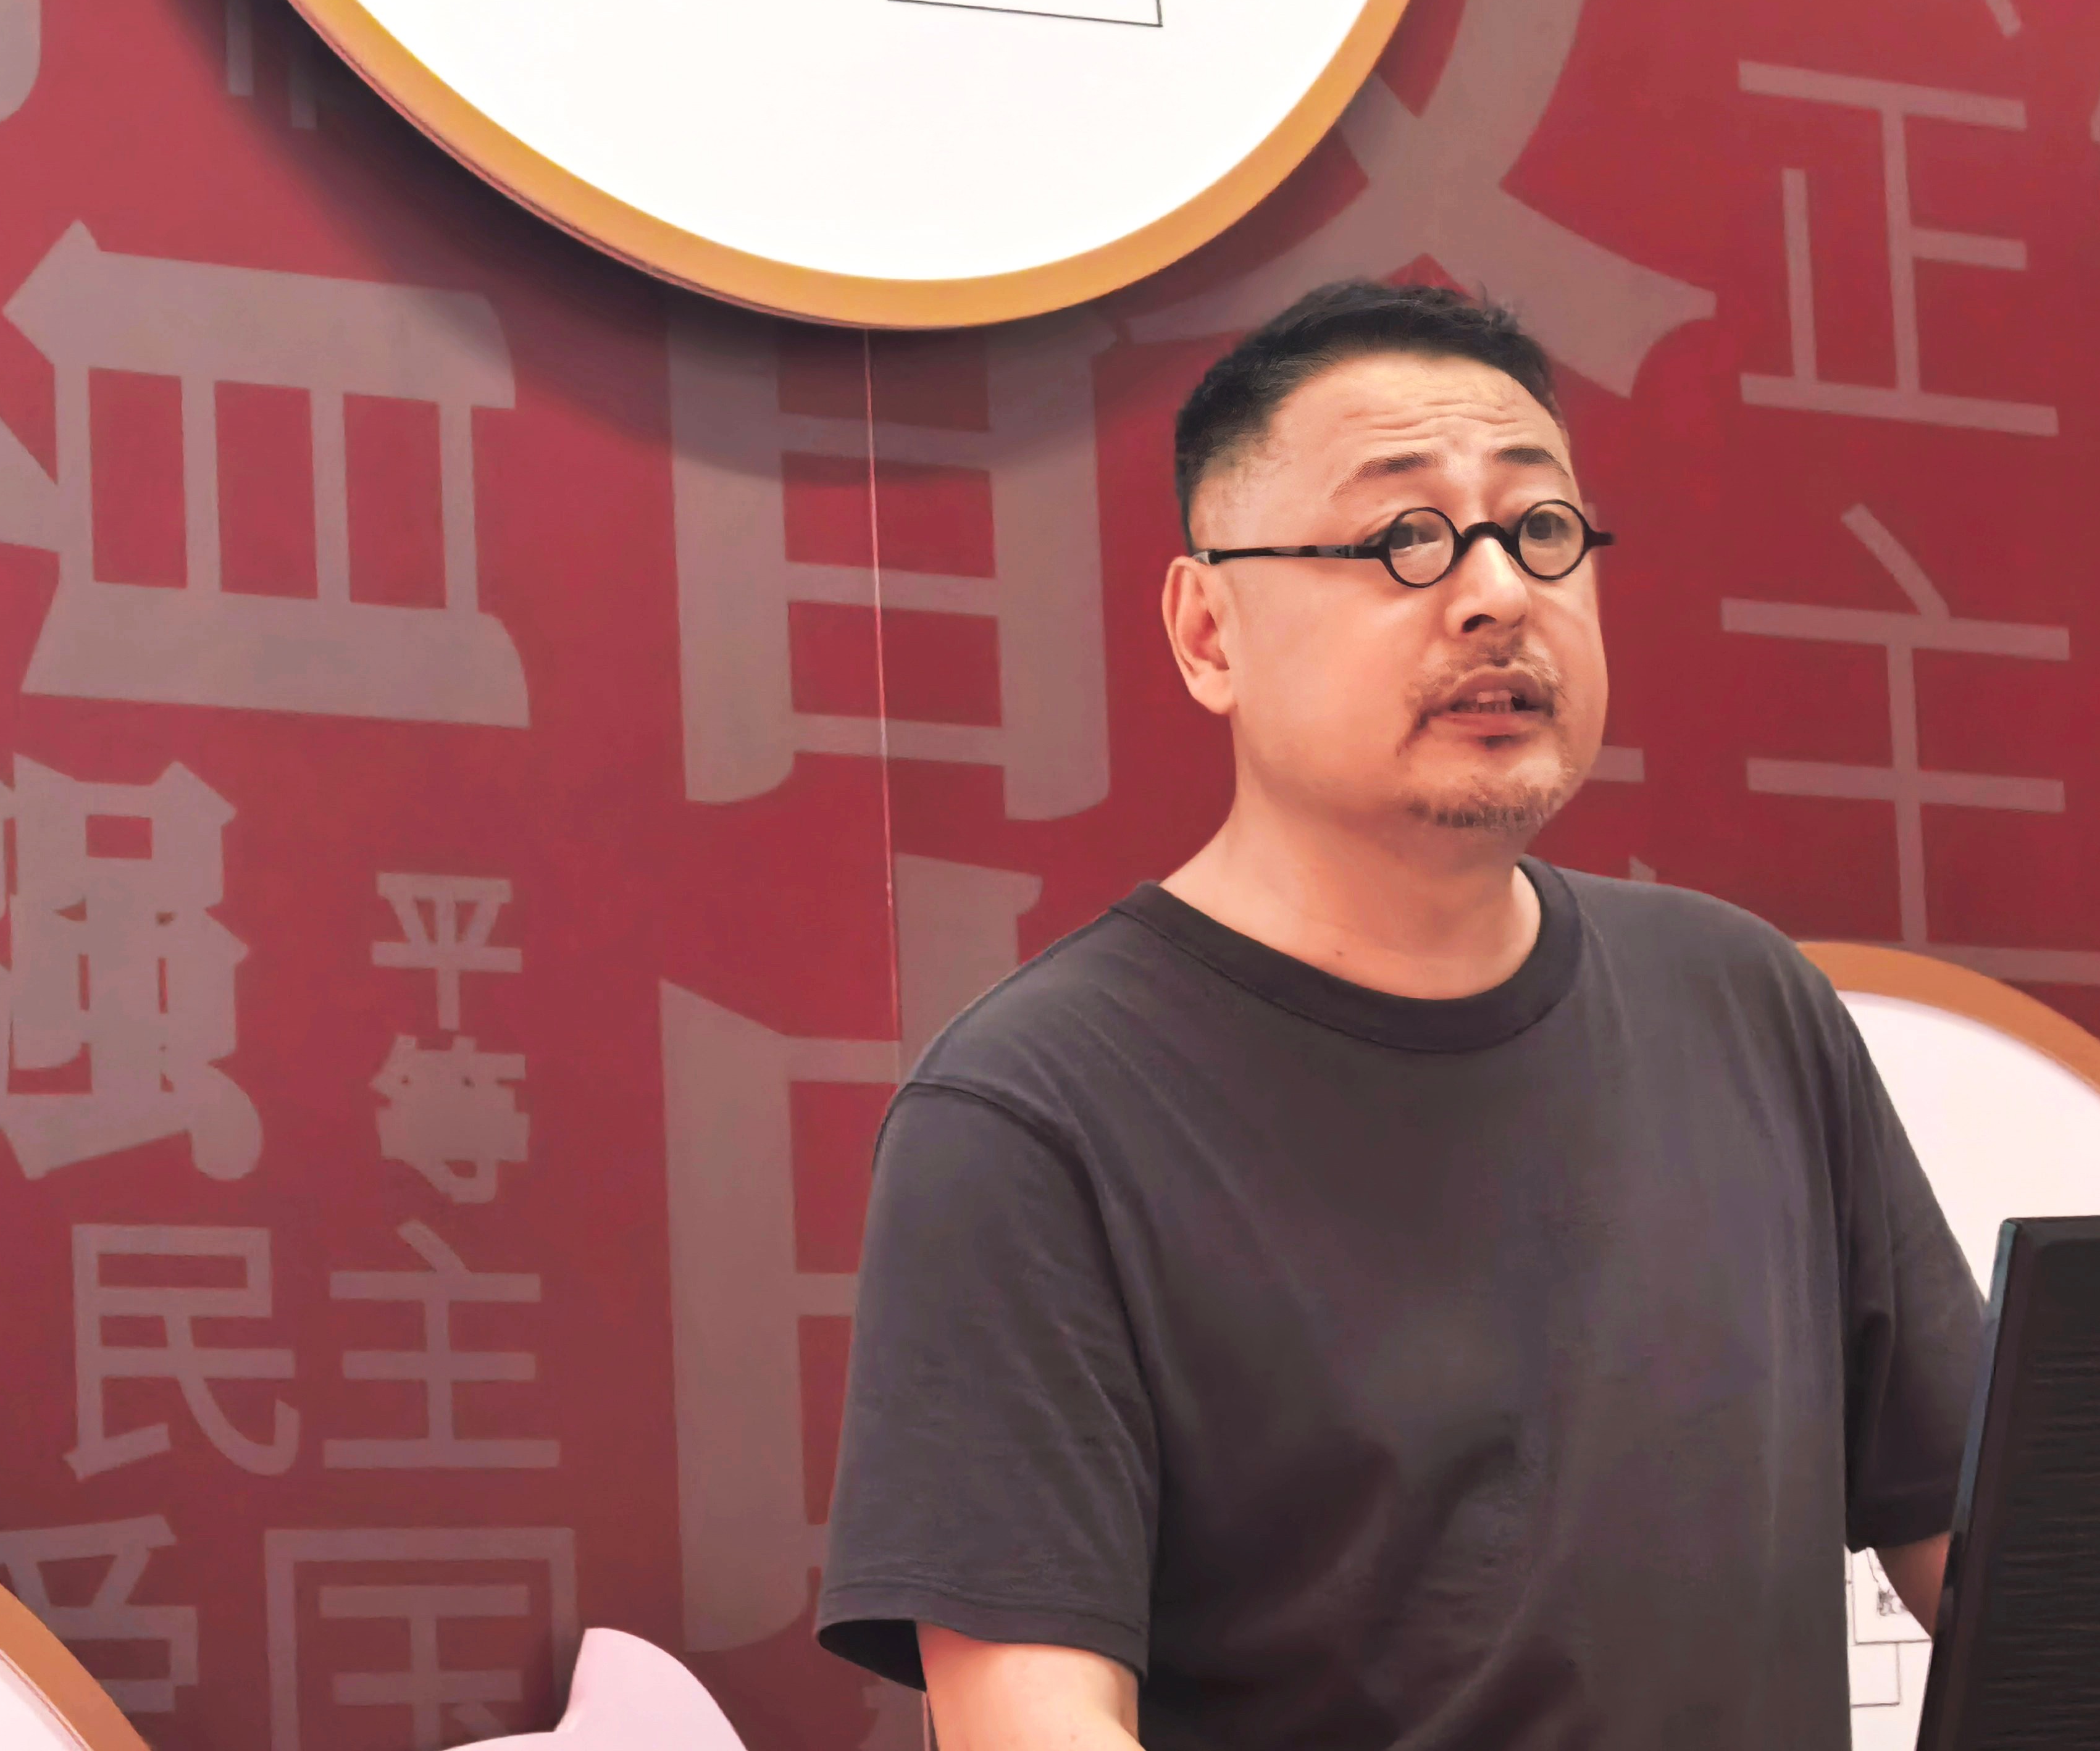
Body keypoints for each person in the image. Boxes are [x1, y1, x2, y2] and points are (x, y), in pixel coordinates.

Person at [813, 280, 1983, 1751]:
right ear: (1207, 632)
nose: (1496, 594)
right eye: (1403, 538)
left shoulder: (1743, 1002)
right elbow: (1030, 1724)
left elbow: (2006, 1575)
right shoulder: (1033, 1111)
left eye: (1539, 529)